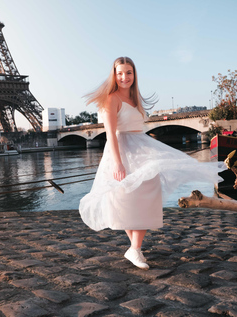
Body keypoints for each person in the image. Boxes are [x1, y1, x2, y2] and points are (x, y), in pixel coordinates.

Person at [79, 57, 223, 270]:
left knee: (149, 191)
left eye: (128, 72)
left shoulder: (136, 99)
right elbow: (110, 133)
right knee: (124, 198)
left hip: (141, 148)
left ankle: (134, 248)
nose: (124, 77)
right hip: (121, 150)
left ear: (134, 74)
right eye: (120, 73)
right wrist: (117, 163)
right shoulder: (112, 98)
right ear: (114, 75)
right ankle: (135, 248)